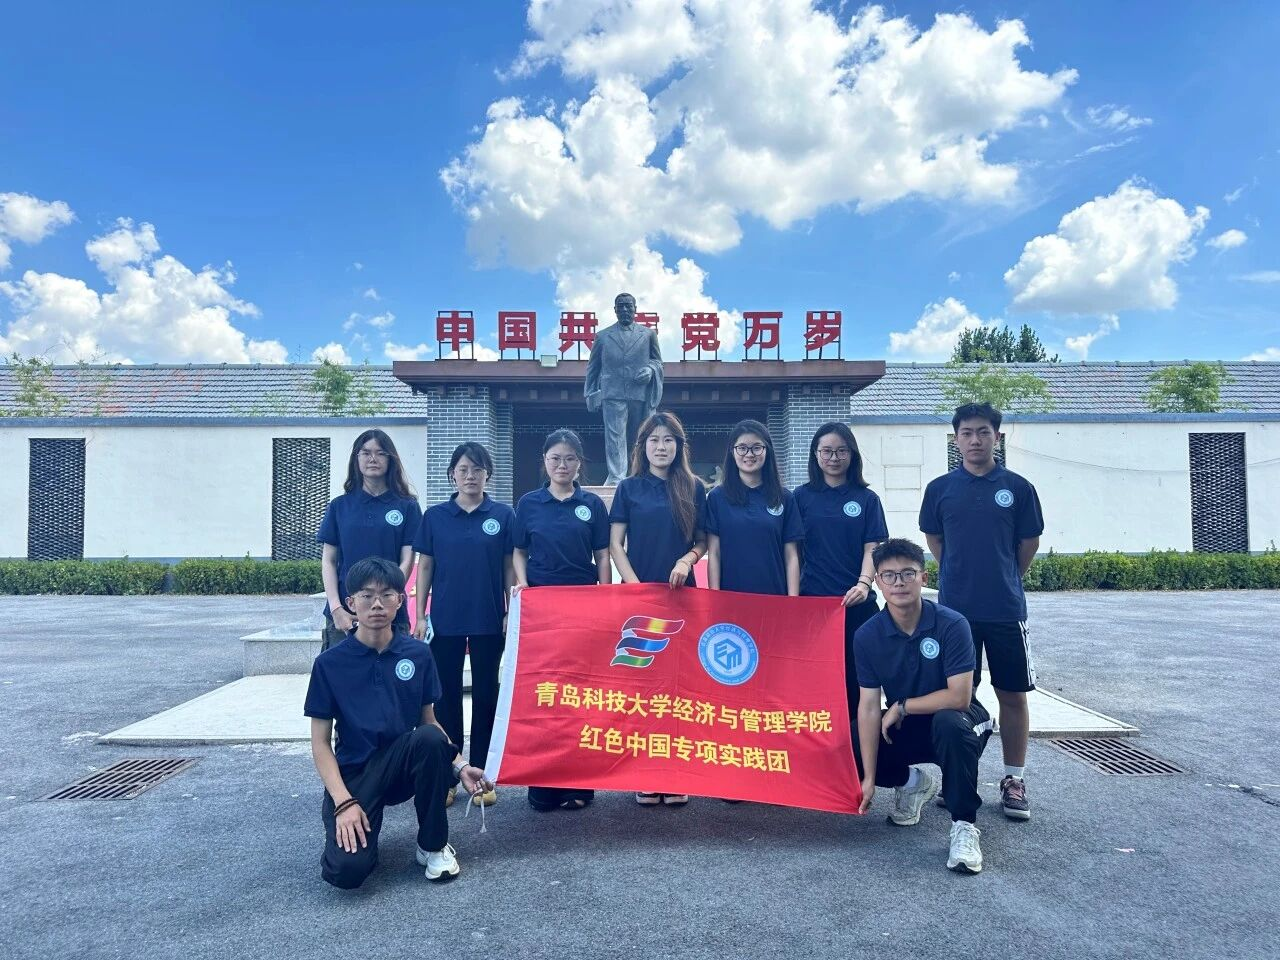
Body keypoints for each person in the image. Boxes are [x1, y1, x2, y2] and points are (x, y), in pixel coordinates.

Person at [304, 557, 492, 888]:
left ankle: (432, 845)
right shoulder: (329, 664)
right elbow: (320, 743)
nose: (377, 604)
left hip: (401, 764)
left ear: (400, 601)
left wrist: (460, 765)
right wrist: (343, 802)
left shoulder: (417, 654)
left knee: (429, 740)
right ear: (351, 603)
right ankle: (364, 838)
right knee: (346, 872)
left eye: (386, 595)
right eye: (366, 595)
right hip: (355, 774)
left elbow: (429, 722)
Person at [920, 402, 1044, 821]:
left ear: (996, 436)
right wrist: (957, 575)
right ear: (956, 439)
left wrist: (1006, 577)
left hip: (1006, 609)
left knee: (1012, 694)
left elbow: (1028, 544)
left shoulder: (1018, 488)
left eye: (983, 432)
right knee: (958, 699)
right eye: (967, 433)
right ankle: (959, 778)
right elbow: (935, 540)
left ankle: (1014, 779)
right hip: (955, 614)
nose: (975, 440)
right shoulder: (940, 489)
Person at [853, 539, 993, 874]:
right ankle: (913, 784)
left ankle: (964, 825)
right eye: (889, 575)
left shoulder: (952, 624)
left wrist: (902, 706)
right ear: (878, 581)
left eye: (907, 573)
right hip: (909, 723)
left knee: (949, 723)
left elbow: (959, 697)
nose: (898, 582)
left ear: (924, 577)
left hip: (962, 719)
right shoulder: (868, 635)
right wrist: (868, 778)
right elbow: (869, 707)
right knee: (853, 739)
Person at [609, 410, 707, 807]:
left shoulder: (694, 487)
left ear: (679, 446)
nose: (661, 446)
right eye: (654, 440)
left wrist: (686, 560)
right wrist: (636, 588)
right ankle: (647, 773)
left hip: (683, 600)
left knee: (679, 688)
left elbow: (703, 540)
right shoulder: (628, 488)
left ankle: (676, 772)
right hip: (639, 603)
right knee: (642, 690)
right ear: (643, 446)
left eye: (668, 440)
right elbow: (615, 544)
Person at [512, 428, 612, 811]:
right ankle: (542, 782)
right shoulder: (529, 504)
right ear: (545, 461)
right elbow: (518, 552)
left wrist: (606, 597)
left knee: (579, 696)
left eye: (570, 458)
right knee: (544, 694)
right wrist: (523, 584)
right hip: (542, 611)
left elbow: (602, 555)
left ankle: (578, 783)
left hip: (582, 608)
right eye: (555, 458)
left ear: (579, 463)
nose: (562, 465)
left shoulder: (592, 505)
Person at [412, 442, 514, 810]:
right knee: (446, 698)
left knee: (487, 695)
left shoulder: (503, 515)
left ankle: (484, 774)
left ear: (488, 474)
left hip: (488, 618)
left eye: (478, 469)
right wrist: (420, 614)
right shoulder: (435, 516)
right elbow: (425, 566)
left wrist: (510, 610)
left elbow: (508, 566)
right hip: (446, 620)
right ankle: (449, 775)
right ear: (452, 475)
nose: (471, 476)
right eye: (463, 469)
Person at [793, 422, 888, 728]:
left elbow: (872, 547)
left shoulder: (866, 499)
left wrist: (864, 583)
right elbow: (792, 552)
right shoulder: (800, 497)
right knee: (815, 682)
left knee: (859, 682)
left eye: (841, 451)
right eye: (826, 451)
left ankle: (859, 749)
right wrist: (793, 597)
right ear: (815, 454)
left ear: (852, 454)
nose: (833, 458)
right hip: (813, 607)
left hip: (857, 605)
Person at [317, 430, 422, 651]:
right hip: (346, 612)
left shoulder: (407, 506)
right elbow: (328, 561)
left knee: (391, 671)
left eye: (380, 453)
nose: (373, 459)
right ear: (356, 459)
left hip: (391, 611)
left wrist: (386, 597)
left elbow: (407, 560)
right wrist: (336, 608)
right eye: (365, 453)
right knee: (342, 672)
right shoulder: (339, 506)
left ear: (390, 459)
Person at [706, 419, 802, 596]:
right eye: (742, 448)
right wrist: (715, 598)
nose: (749, 454)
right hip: (730, 598)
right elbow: (714, 553)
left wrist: (792, 601)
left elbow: (791, 556)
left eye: (757, 447)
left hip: (774, 598)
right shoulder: (717, 498)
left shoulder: (785, 498)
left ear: (767, 451)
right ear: (732, 452)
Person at [584, 292, 664, 484]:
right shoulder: (603, 336)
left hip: (639, 393)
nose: (625, 309)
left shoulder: (648, 335)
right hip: (612, 392)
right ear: (615, 310)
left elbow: (658, 362)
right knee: (615, 436)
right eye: (621, 306)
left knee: (641, 435)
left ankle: (640, 472)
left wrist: (650, 370)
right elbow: (593, 367)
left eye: (629, 306)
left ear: (635, 309)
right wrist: (590, 393)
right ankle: (616, 477)